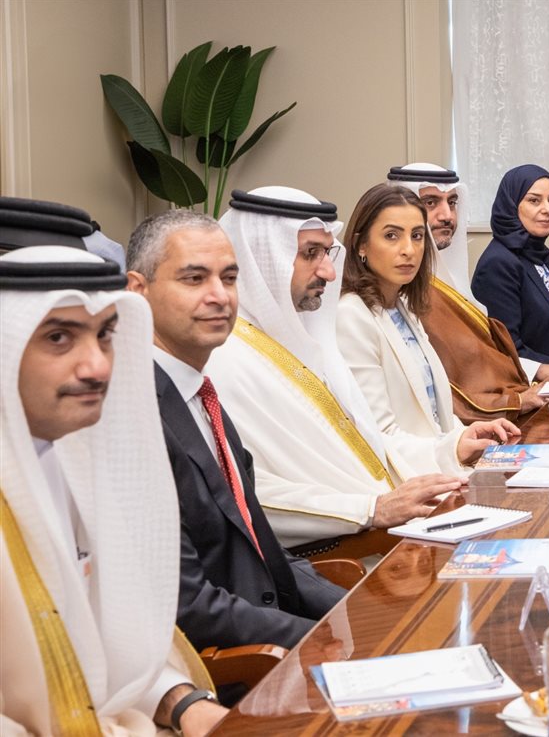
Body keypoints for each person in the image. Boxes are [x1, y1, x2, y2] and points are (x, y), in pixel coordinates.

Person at [0, 224, 226, 733]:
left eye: (104, 335)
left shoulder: (71, 453)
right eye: (58, 338)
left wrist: (187, 705)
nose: (97, 367)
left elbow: (110, 647)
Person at [125, 209, 348, 656]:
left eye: (228, 278)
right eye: (194, 279)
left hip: (269, 636)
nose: (219, 296)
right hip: (231, 669)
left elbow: (263, 548)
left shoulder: (199, 394)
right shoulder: (134, 412)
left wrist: (357, 612)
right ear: (137, 291)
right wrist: (322, 639)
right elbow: (188, 606)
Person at [206, 186, 466, 548]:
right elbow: (241, 491)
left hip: (384, 526)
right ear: (262, 255)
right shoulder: (225, 362)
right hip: (333, 553)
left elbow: (369, 447)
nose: (330, 272)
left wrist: (452, 451)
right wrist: (370, 509)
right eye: (310, 253)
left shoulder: (308, 341)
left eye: (327, 253)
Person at [337, 184, 520, 464]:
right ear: (361, 245)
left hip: (437, 466)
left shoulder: (403, 307)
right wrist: (451, 450)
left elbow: (433, 415)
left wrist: (466, 434)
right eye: (391, 236)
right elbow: (377, 436)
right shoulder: (351, 316)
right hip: (408, 476)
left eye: (417, 236)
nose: (409, 250)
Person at [387, 163, 549, 421]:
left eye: (452, 202)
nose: (447, 216)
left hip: (494, 412)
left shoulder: (448, 282)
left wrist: (534, 378)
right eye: (431, 203)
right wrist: (516, 400)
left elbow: (484, 357)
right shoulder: (400, 292)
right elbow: (442, 381)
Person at [474, 165, 549, 364]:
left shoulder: (539, 256)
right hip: (527, 381)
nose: (547, 209)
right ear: (512, 205)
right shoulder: (498, 263)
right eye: (534, 200)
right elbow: (505, 348)